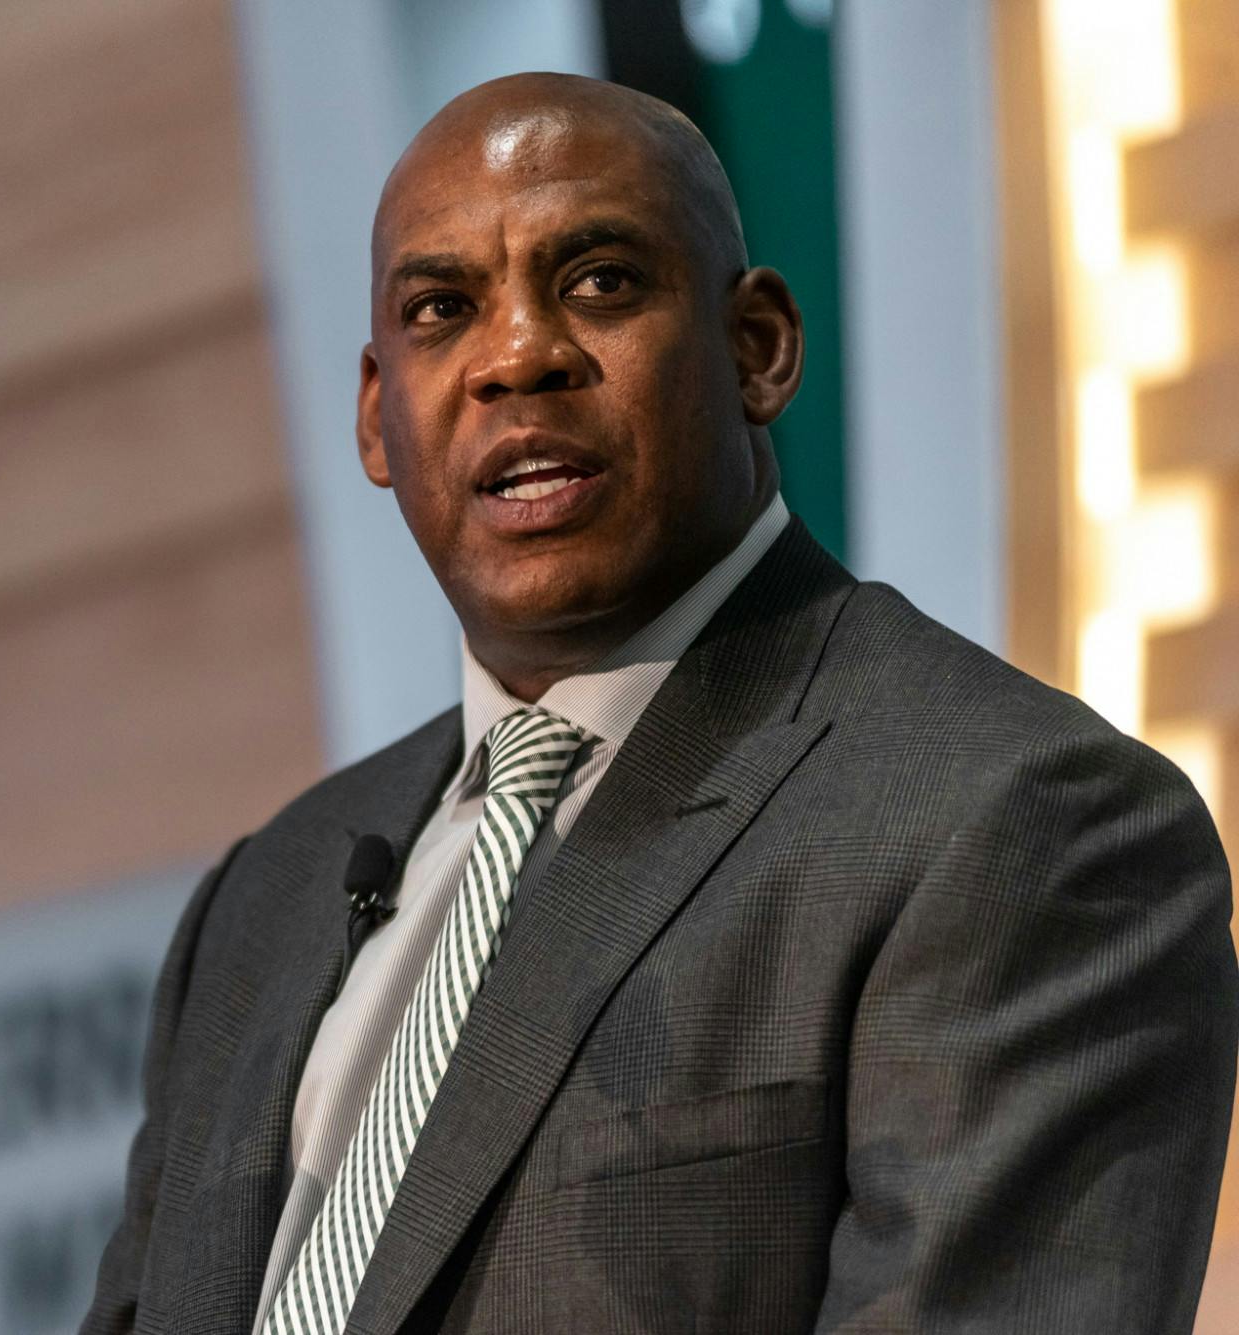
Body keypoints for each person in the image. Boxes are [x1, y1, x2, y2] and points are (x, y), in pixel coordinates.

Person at [80, 73, 1237, 1334]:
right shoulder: (266, 896)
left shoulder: (1016, 822)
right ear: (375, 417)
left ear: (757, 350)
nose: (515, 356)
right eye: (441, 309)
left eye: (598, 283)